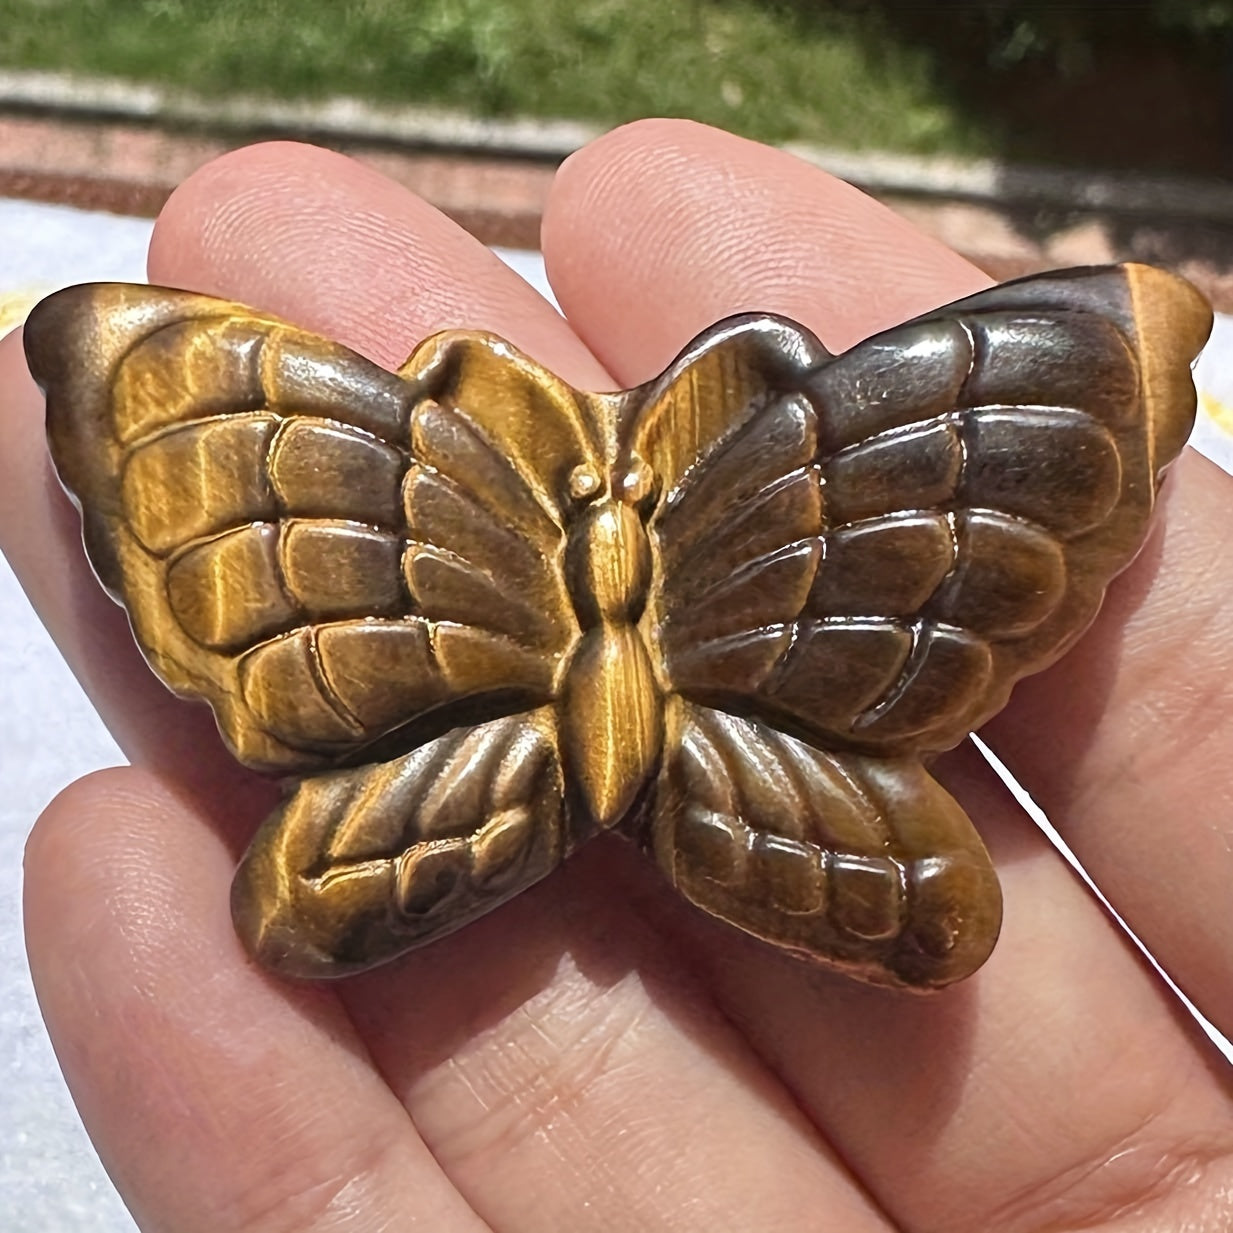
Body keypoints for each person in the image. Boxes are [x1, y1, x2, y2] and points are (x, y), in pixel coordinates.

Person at [2, 119, 1231, 1232]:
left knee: (311, 898)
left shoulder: (414, 470)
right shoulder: (804, 467)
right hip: (788, 770)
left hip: (448, 775)